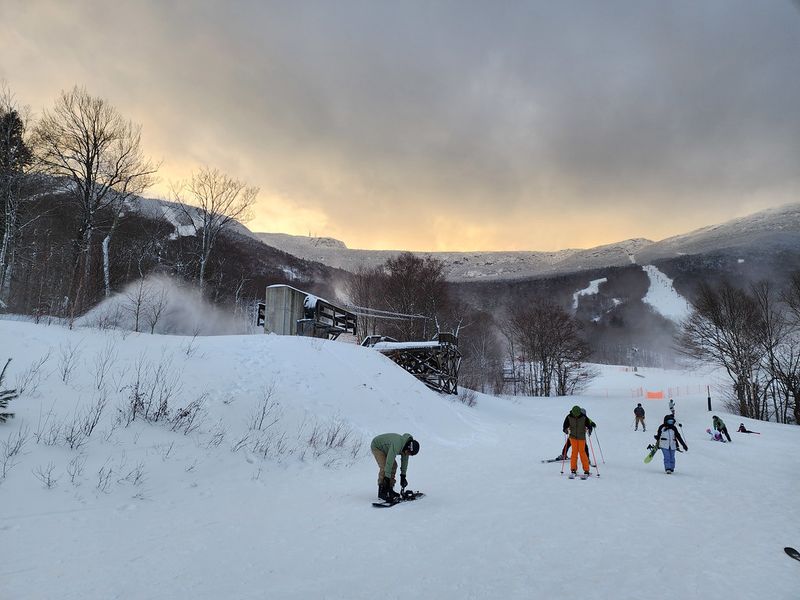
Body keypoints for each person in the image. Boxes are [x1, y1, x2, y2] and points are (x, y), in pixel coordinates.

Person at [370, 433, 420, 502]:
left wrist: (403, 476)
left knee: (394, 466)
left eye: (410, 454)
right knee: (385, 467)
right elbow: (389, 462)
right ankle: (382, 492)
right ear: (408, 448)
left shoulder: (406, 447)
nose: (408, 454)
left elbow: (404, 462)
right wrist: (387, 478)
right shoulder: (398, 444)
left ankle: (390, 489)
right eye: (409, 453)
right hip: (377, 446)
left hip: (386, 448)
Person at [562, 405, 593, 478]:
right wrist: (566, 430)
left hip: (581, 437)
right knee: (574, 453)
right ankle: (573, 469)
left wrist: (589, 431)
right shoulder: (569, 416)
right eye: (574, 415)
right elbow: (564, 426)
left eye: (577, 415)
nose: (576, 416)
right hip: (573, 437)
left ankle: (586, 470)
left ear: (579, 413)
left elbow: (589, 426)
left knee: (582, 452)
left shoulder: (584, 417)